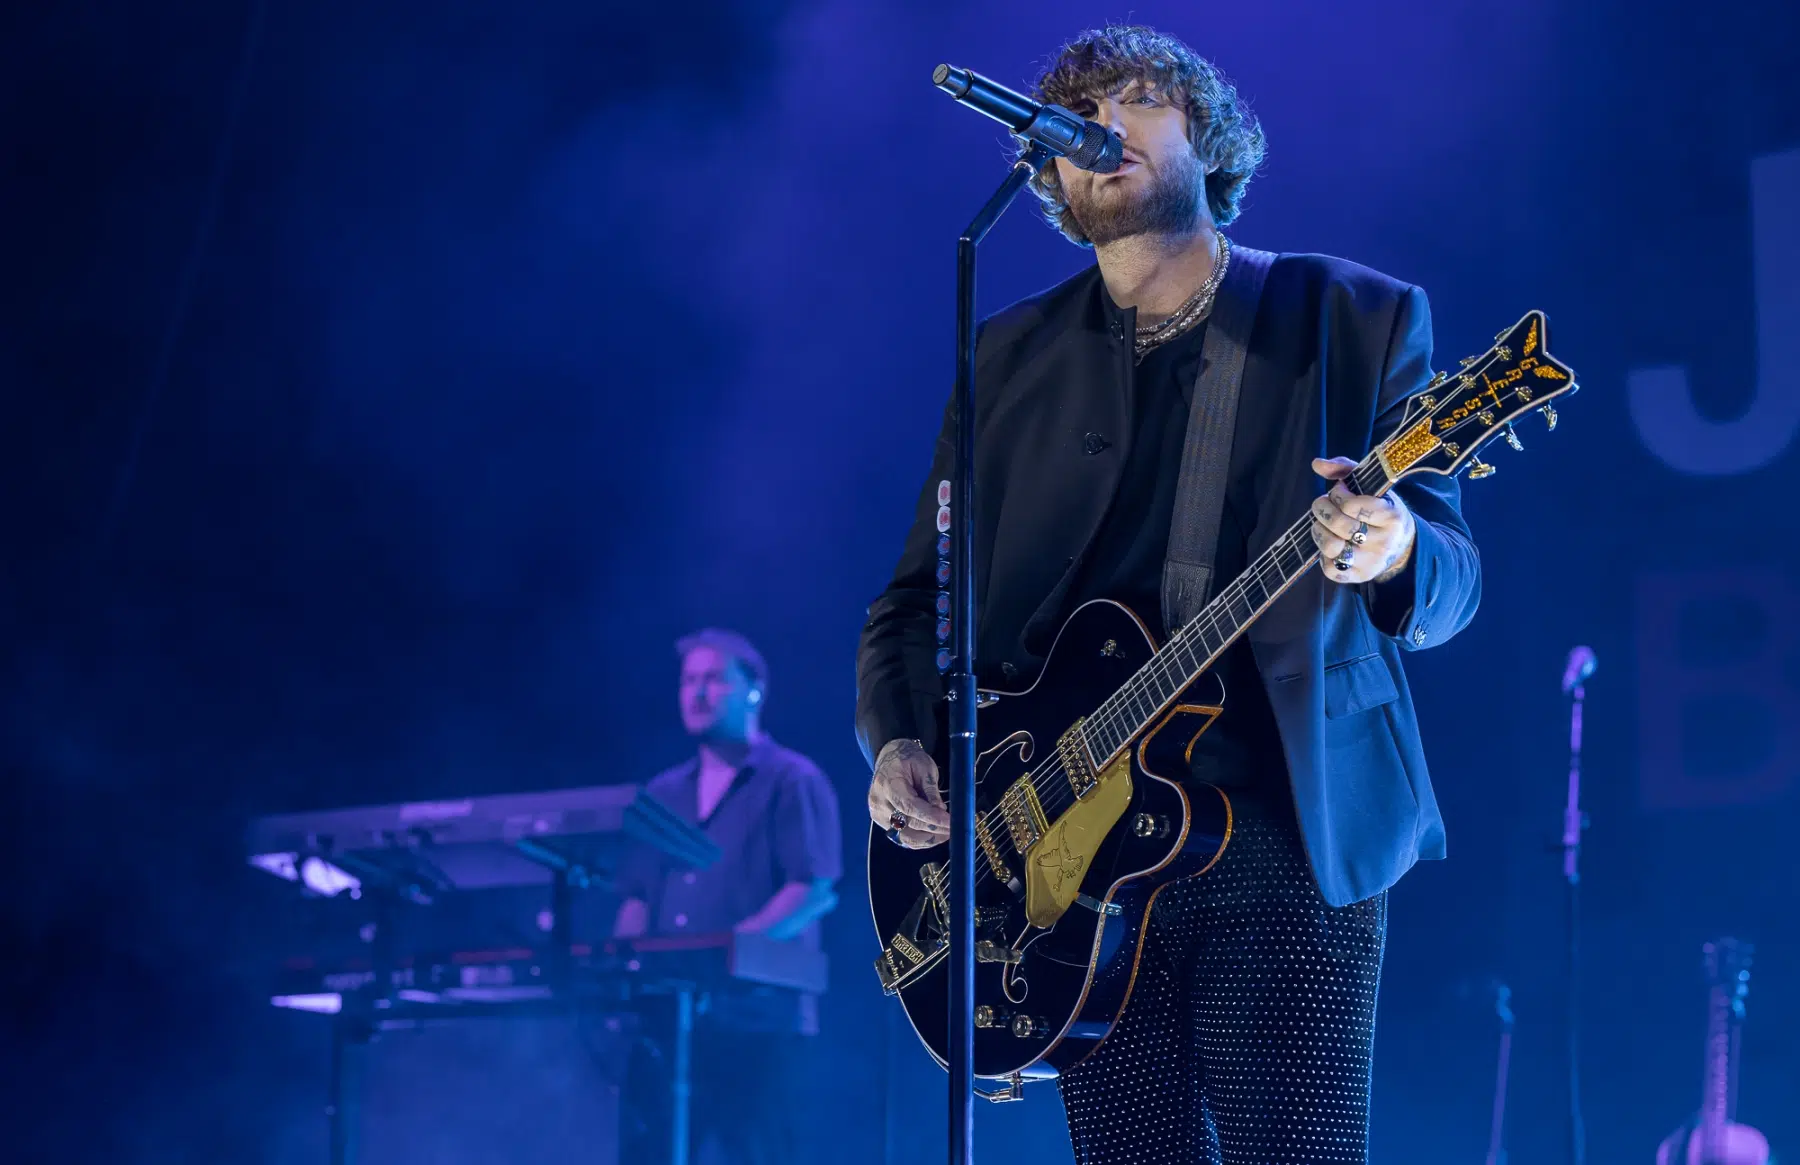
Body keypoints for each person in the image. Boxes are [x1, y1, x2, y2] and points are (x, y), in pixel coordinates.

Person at [856, 25, 1481, 1165]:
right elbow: (912, 604)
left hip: (1284, 833)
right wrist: (899, 742)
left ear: (1210, 138)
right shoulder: (1007, 357)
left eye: (1140, 98)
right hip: (1073, 855)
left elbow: (1452, 568)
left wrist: (1392, 547)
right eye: (1081, 111)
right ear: (1049, 166)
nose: (1104, 125)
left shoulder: (1348, 316)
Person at [613, 627, 842, 1165]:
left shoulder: (792, 780)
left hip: (758, 1021)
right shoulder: (662, 792)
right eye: (688, 680)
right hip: (668, 1020)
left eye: (713, 679)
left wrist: (728, 951)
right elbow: (636, 897)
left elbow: (811, 887)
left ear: (754, 690)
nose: (696, 692)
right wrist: (621, 974)